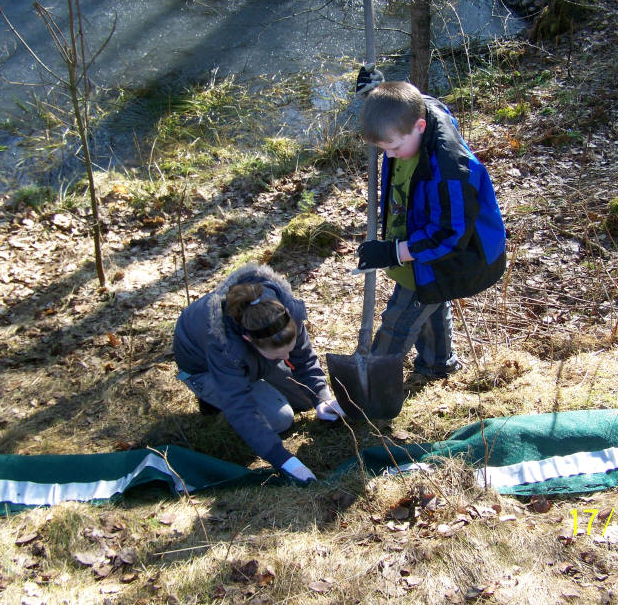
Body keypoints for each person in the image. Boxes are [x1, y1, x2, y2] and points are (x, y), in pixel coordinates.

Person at [354, 73, 507, 379]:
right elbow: (410, 100)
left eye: (394, 148)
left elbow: (447, 235)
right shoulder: (411, 117)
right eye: (384, 149)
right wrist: (376, 95)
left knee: (399, 321)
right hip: (418, 243)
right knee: (432, 300)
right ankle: (438, 363)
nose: (389, 155)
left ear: (419, 128)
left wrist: (395, 253)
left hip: (447, 253)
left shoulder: (451, 171)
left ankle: (369, 382)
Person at [173, 263, 342, 483]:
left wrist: (322, 397)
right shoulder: (224, 347)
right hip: (203, 368)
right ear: (249, 340)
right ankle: (210, 397)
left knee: (304, 398)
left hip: (251, 359)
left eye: (288, 350)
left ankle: (260, 376)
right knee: (280, 419)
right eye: (278, 356)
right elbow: (240, 407)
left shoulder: (285, 313)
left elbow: (304, 359)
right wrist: (283, 459)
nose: (286, 359)